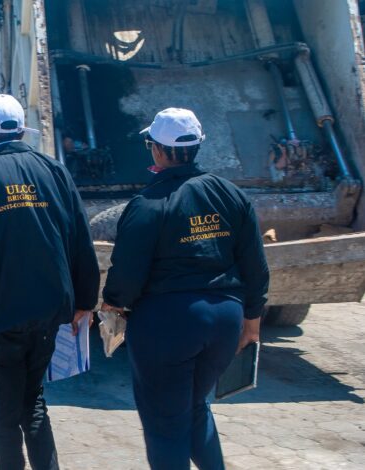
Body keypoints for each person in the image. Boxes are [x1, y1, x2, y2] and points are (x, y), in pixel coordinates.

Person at [0, 94, 100, 469]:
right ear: (20, 131)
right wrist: (84, 303)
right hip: (48, 313)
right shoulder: (54, 170)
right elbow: (80, 238)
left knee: (2, 416)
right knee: (33, 402)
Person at [101, 108, 269, 470]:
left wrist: (113, 304)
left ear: (157, 151)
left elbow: (126, 274)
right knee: (194, 408)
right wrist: (252, 322)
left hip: (167, 324)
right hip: (224, 319)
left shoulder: (147, 204)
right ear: (198, 147)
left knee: (165, 425)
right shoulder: (231, 195)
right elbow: (256, 266)